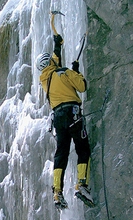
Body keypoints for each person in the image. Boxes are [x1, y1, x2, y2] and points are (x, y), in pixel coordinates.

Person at [36, 18, 93, 209]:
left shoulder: (46, 79)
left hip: (57, 119)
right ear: (50, 63)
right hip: (72, 113)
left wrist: (56, 43)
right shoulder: (64, 72)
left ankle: (57, 192)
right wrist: (76, 71)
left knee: (61, 153)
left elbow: (55, 58)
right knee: (82, 147)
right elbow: (82, 86)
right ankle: (81, 184)